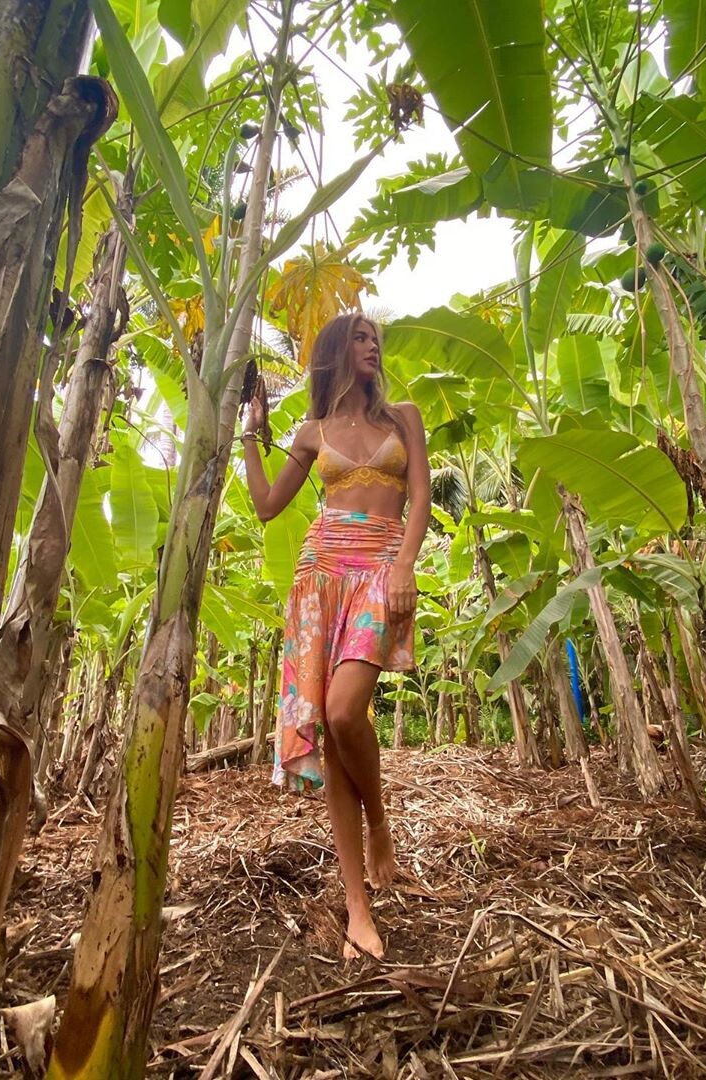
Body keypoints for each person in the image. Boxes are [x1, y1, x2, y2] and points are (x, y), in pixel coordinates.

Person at [241, 312, 431, 958]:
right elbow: (267, 505)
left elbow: (421, 498)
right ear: (335, 351)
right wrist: (251, 435)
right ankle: (356, 907)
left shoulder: (403, 417)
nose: (373, 346)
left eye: (376, 338)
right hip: (320, 569)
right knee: (330, 724)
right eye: (360, 337)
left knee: (346, 711)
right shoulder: (312, 431)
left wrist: (404, 565)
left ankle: (379, 821)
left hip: (381, 565)